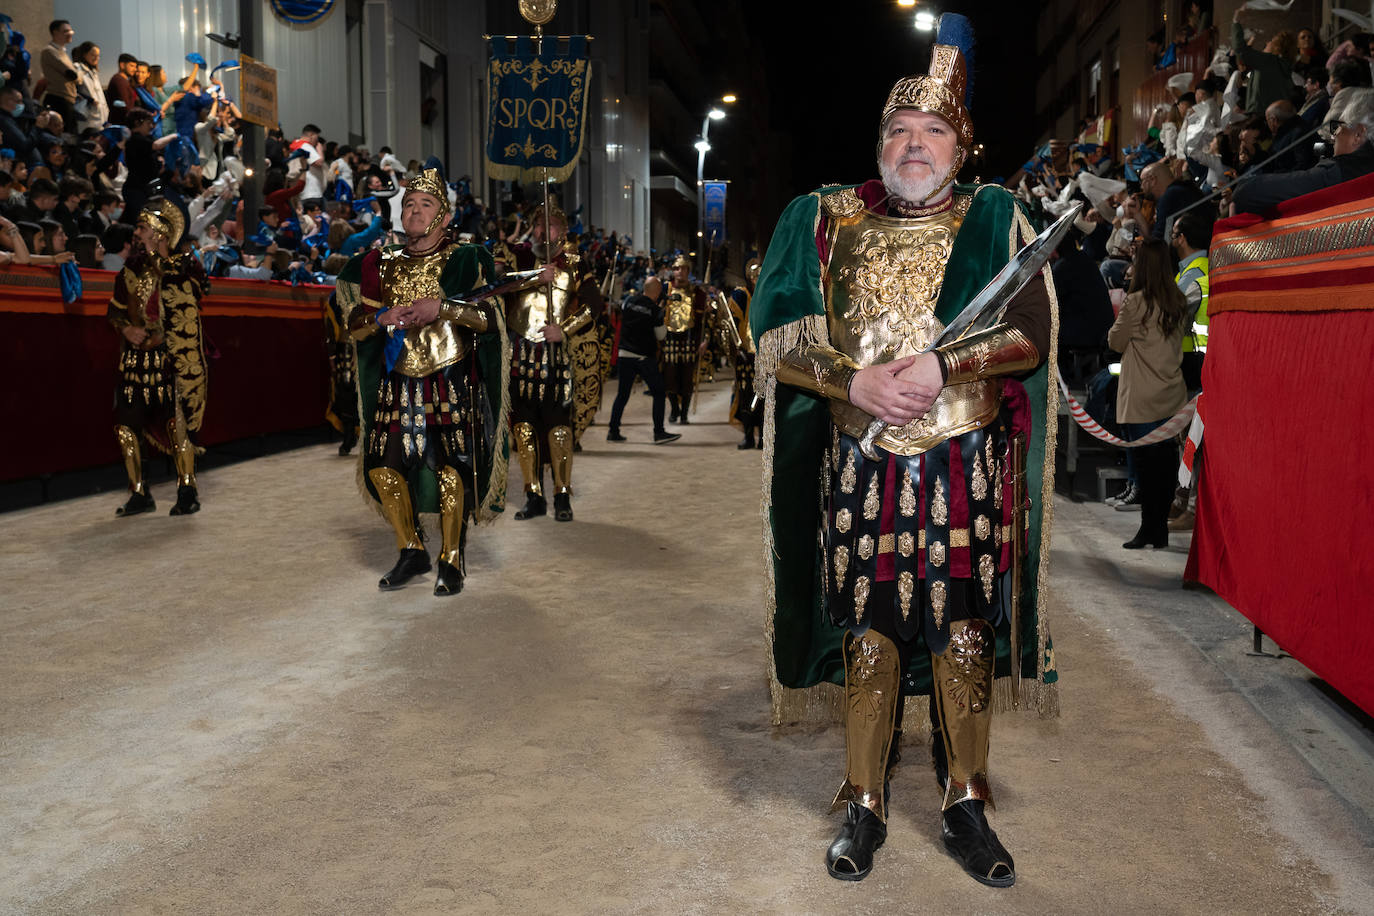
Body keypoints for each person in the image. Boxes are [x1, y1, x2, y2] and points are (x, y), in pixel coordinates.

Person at [751, 14, 1058, 889]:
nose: (914, 144)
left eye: (933, 131)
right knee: (872, 631)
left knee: (964, 630)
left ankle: (965, 796)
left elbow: (1029, 333)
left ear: (961, 149)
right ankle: (864, 796)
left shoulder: (998, 219)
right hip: (864, 458)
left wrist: (941, 361)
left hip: (966, 458)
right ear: (878, 144)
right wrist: (855, 384)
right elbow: (774, 331)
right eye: (899, 131)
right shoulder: (824, 218)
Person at [340, 168, 510, 595]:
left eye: (426, 204)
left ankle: (451, 556)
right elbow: (354, 326)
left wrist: (444, 308)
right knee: (382, 468)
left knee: (454, 470)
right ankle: (411, 548)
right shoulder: (380, 263)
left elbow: (489, 320)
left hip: (450, 377)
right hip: (397, 382)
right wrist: (380, 316)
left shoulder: (467, 259)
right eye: (409, 204)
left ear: (445, 216)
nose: (414, 211)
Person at [498, 203, 602, 522]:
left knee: (559, 430)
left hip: (555, 359)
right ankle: (533, 495)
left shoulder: (575, 263)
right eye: (539, 225)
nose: (544, 231)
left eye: (551, 225)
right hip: (520, 354)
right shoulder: (518, 256)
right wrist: (532, 276)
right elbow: (497, 283)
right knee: (524, 429)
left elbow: (593, 305)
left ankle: (561, 495)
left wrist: (564, 330)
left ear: (564, 231)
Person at [105, 198, 210, 517]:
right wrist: (126, 331)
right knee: (126, 426)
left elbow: (190, 304)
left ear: (160, 233)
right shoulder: (130, 269)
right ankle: (139, 492)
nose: (137, 233)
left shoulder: (185, 265)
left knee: (177, 425)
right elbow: (116, 310)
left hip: (172, 357)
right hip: (136, 361)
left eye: (142, 227)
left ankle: (187, 489)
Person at [1107, 239, 1187, 549]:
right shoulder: (1179, 300)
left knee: (1145, 468)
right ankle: (1159, 531)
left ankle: (1148, 528)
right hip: (1172, 394)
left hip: (1141, 396)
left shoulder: (1137, 301)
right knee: (1165, 467)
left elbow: (1115, 341)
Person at [605, 275, 679, 444]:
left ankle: (613, 431)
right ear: (658, 292)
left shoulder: (629, 301)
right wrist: (661, 313)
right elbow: (661, 335)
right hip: (643, 357)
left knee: (622, 395)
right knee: (659, 393)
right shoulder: (654, 310)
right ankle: (659, 433)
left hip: (625, 355)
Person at [660, 254, 707, 423]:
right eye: (676, 268)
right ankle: (674, 409)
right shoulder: (665, 290)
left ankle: (685, 413)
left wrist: (705, 340)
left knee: (687, 379)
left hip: (689, 339)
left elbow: (705, 320)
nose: (679, 272)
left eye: (683, 269)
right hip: (670, 339)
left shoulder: (697, 293)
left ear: (688, 271)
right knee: (670, 377)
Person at [726, 258, 763, 449]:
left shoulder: (768, 294)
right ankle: (748, 436)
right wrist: (737, 349)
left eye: (760, 274)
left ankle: (763, 438)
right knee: (746, 396)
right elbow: (731, 326)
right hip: (746, 354)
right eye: (754, 275)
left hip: (765, 355)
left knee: (765, 400)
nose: (757, 278)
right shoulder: (742, 295)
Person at [38, 20, 78, 129]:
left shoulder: (62, 52)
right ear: (55, 33)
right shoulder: (49, 51)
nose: (70, 34)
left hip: (68, 99)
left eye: (70, 31)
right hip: (58, 98)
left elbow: (78, 78)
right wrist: (77, 74)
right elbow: (74, 75)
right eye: (65, 31)